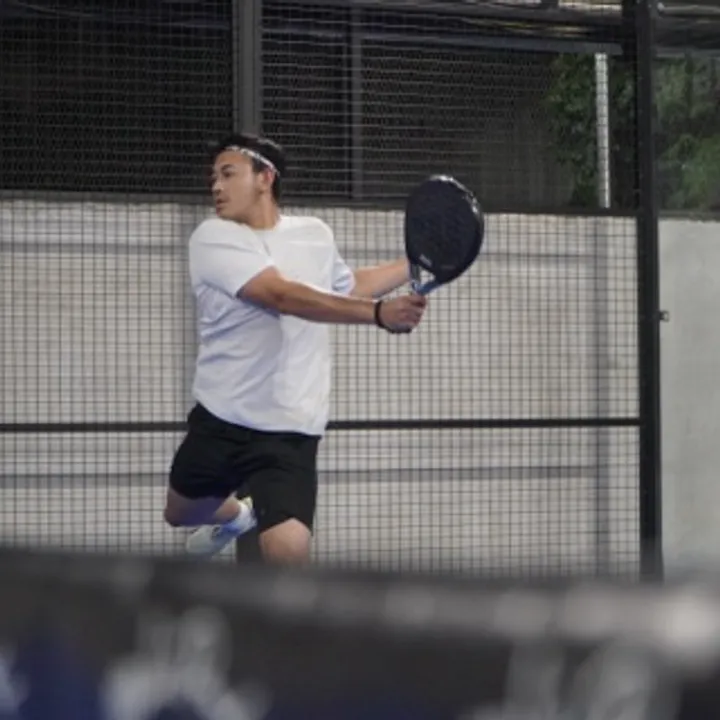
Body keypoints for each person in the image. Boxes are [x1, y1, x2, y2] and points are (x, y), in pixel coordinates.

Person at [163, 132, 427, 564]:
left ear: (265, 177)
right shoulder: (212, 237)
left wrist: (417, 263)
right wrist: (379, 314)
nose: (216, 187)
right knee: (180, 513)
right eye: (213, 178)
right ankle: (237, 516)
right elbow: (280, 295)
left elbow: (345, 288)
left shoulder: (314, 234)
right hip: (222, 418)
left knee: (288, 555)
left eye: (228, 174)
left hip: (290, 429)